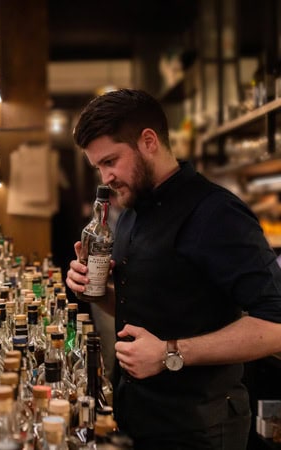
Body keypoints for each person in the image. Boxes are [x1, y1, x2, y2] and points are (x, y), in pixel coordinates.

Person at [65, 88, 281, 450]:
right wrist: (97, 293)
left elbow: (276, 324)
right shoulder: (130, 213)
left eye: (111, 161)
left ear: (148, 141)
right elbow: (147, 308)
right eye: (98, 167)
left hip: (200, 427)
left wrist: (169, 353)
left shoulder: (216, 213)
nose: (105, 178)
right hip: (139, 417)